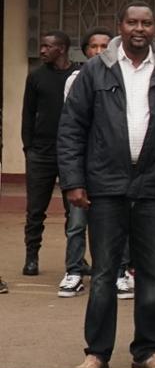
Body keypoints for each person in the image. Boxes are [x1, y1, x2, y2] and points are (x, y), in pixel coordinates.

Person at [61, 2, 155, 368]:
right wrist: (73, 181)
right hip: (105, 186)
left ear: (154, 28)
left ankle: (147, 350)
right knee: (105, 272)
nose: (139, 28)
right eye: (131, 22)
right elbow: (72, 128)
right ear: (119, 26)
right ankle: (97, 352)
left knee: (152, 273)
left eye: (146, 22)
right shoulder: (94, 70)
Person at [23, 31, 83, 294]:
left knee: (75, 212)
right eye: (43, 45)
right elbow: (28, 113)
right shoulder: (36, 76)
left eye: (48, 46)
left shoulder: (79, 75)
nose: (43, 50)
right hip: (41, 153)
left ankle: (76, 261)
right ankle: (31, 257)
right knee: (36, 209)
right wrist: (28, 148)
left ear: (62, 49)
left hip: (70, 153)